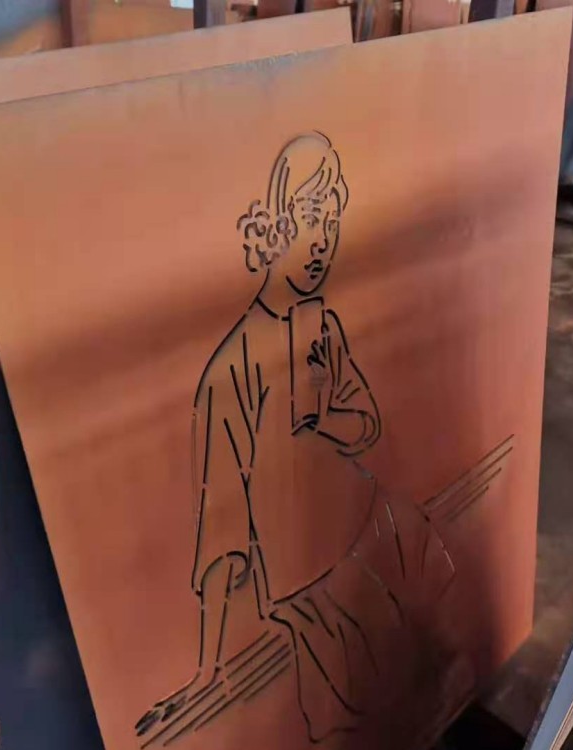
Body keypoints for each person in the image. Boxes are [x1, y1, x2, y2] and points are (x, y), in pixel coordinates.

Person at [137, 133, 456, 745]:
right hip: (308, 574)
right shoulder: (231, 366)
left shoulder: (322, 326)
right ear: (274, 225)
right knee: (350, 707)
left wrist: (320, 421)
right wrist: (207, 669)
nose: (322, 243)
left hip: (373, 522)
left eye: (331, 224)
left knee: (431, 636)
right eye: (310, 219)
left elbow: (366, 420)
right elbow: (222, 528)